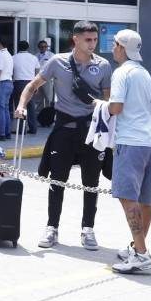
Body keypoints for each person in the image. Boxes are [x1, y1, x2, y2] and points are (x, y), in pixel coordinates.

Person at [15, 21, 111, 250]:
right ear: (75, 39)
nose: (92, 44)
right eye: (87, 39)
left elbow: (108, 100)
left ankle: (88, 229)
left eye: (94, 39)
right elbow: (33, 85)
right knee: (57, 180)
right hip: (64, 130)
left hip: (91, 132)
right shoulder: (57, 62)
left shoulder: (104, 65)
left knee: (91, 183)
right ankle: (52, 228)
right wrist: (21, 105)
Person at [97, 30, 151, 273]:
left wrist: (99, 105)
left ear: (122, 47)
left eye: (114, 44)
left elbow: (116, 108)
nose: (112, 48)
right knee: (144, 200)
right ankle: (138, 248)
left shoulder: (121, 72)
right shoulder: (144, 73)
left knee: (128, 199)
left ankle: (141, 254)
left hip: (130, 143)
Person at [12, 41, 40, 135]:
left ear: (18, 47)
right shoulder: (33, 58)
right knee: (31, 107)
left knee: (20, 106)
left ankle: (21, 129)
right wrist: (37, 85)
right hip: (31, 83)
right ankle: (33, 128)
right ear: (28, 47)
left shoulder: (14, 58)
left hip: (18, 83)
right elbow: (37, 72)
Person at [33, 39, 55, 120]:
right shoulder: (35, 56)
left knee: (48, 98)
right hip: (38, 79)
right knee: (39, 100)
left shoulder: (51, 55)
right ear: (39, 47)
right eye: (41, 47)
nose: (43, 48)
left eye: (45, 46)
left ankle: (49, 118)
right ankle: (39, 118)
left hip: (47, 79)